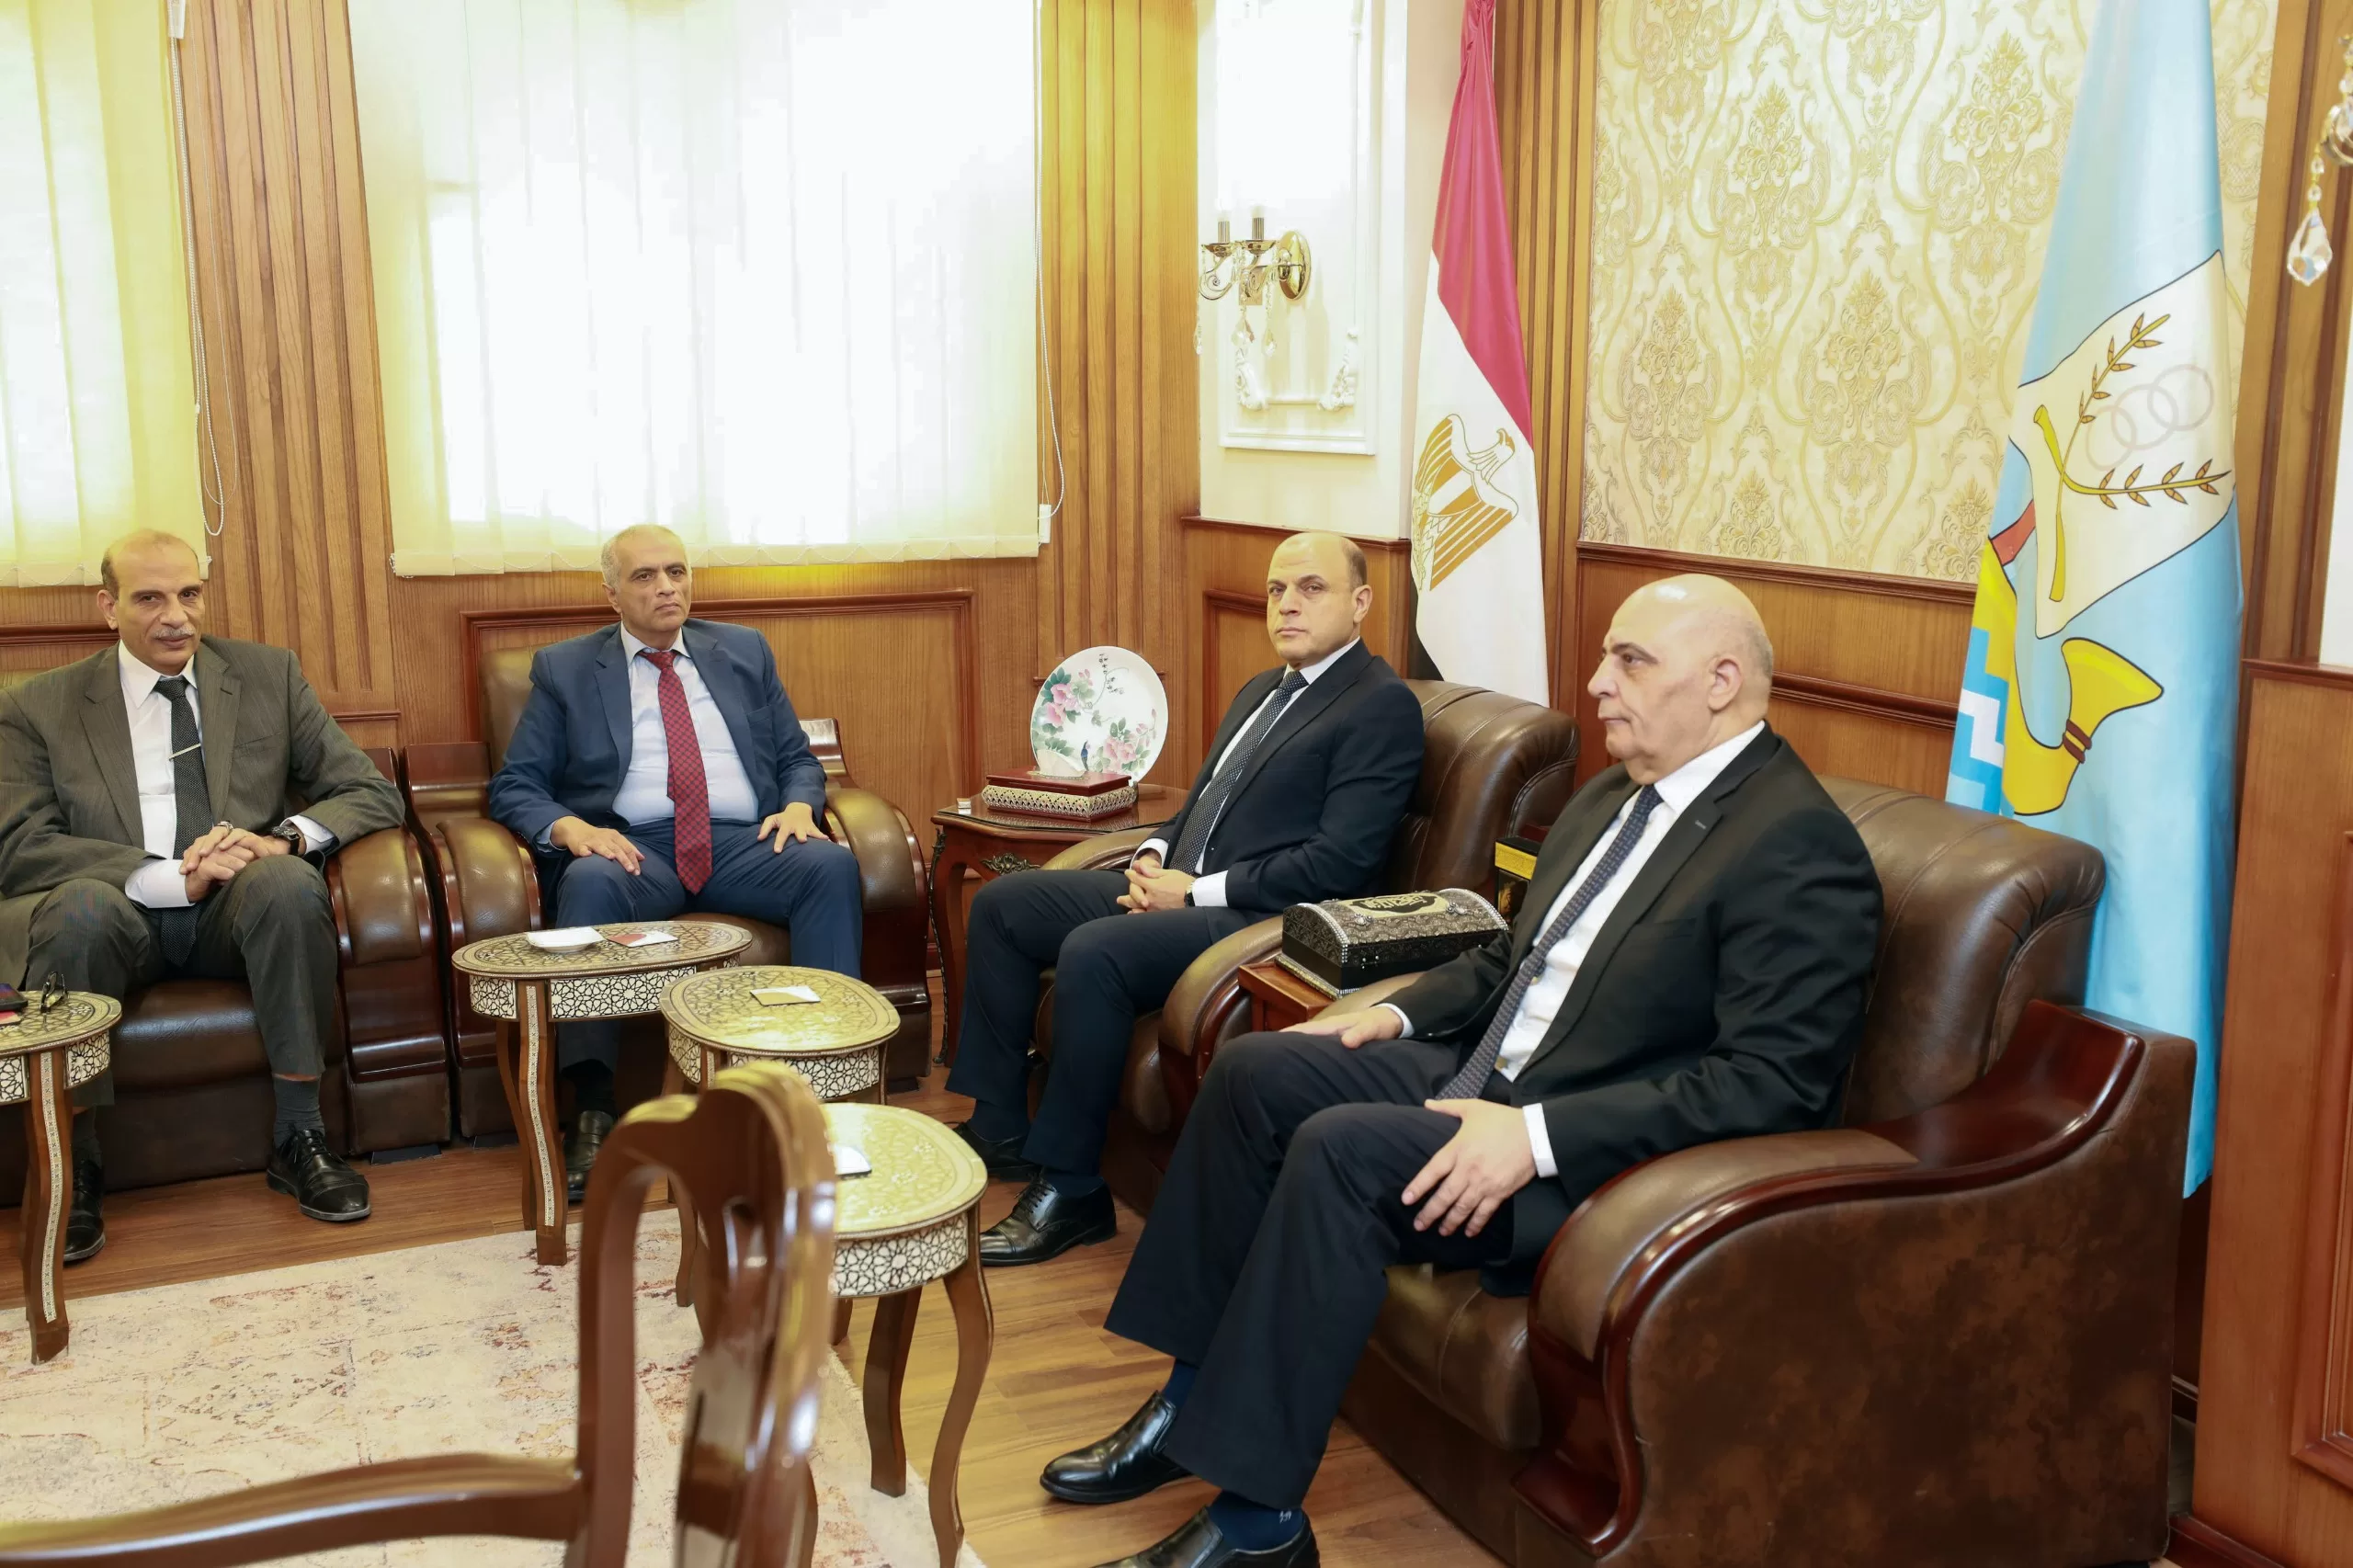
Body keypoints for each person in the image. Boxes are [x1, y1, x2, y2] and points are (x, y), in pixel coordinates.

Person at [1042, 575, 1884, 1568]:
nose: (1597, 681)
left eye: (1630, 660)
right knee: (1258, 1071)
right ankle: (1184, 1402)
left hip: (1587, 1156)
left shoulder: (1796, 847)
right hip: (1482, 1075)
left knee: (1340, 1152)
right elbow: (1511, 957)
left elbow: (1770, 1086)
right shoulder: (1612, 795)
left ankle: (1257, 1527)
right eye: (1605, 656)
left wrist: (1534, 1137)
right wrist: (1389, 1010)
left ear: (1721, 681)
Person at [947, 530, 1425, 1267]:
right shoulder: (1262, 689)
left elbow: (1341, 864)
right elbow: (1201, 805)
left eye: (1311, 589)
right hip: (1182, 887)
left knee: (1095, 951)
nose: (1287, 605)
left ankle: (1072, 1189)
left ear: (1361, 602)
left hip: (1258, 918)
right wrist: (1152, 856)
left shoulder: (1380, 706)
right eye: (1276, 590)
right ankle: (1002, 1125)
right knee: (1003, 905)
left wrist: (1194, 891)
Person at [0, 530, 405, 1259]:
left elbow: (368, 791)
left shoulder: (266, 675)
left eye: (189, 594)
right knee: (77, 910)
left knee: (287, 884)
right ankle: (75, 1161)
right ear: (108, 606)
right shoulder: (39, 705)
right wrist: (164, 876)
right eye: (149, 598)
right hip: (118, 909)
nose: (176, 617)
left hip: (231, 909)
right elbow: (22, 847)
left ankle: (300, 1134)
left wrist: (283, 839)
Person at [488, 522, 862, 1199]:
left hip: (742, 841)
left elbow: (795, 758)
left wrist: (800, 805)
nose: (666, 587)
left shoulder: (742, 650)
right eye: (645, 576)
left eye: (677, 571)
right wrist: (571, 827)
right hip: (637, 848)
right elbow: (516, 785)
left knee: (828, 866)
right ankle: (593, 1110)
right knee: (590, 879)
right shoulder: (566, 669)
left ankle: (818, 1094)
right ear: (612, 594)